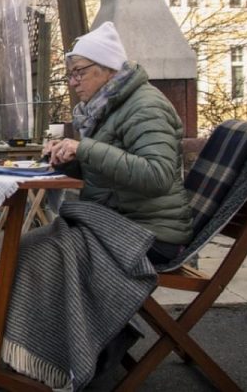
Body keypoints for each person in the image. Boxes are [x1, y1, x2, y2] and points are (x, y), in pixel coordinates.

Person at [42, 21, 192, 264]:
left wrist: (84, 148)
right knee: (35, 246)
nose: (73, 82)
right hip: (121, 222)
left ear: (109, 68)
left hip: (153, 235)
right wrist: (67, 160)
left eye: (79, 72)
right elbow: (106, 175)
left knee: (43, 254)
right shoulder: (107, 108)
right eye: (70, 75)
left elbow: (157, 176)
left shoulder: (146, 106)